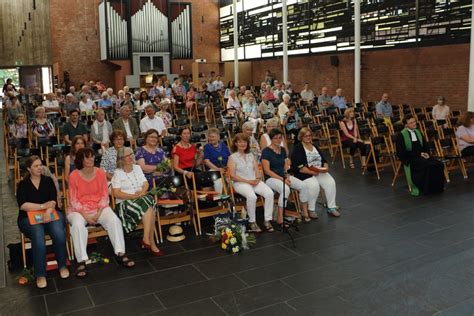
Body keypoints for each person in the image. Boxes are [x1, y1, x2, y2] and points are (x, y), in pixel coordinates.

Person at [68, 148, 135, 278]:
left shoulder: (100, 173)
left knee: (114, 220)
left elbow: (105, 196)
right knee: (77, 225)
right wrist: (86, 216)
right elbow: (73, 200)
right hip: (78, 210)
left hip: (99, 207)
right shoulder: (74, 175)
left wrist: (98, 214)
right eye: (87, 157)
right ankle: (82, 260)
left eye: (92, 156)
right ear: (81, 160)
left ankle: (121, 253)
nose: (91, 159)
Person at [17, 156, 69, 289]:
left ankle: (62, 265)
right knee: (38, 234)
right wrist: (41, 207)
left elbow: (53, 201)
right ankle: (40, 274)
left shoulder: (48, 181)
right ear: (29, 168)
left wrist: (47, 211)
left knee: (59, 233)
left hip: (49, 213)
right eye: (36, 166)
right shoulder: (23, 184)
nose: (40, 168)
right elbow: (23, 205)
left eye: (40, 165)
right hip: (28, 217)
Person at [112, 147, 163, 256]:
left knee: (148, 204)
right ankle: (150, 242)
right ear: (121, 159)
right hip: (125, 203)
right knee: (149, 204)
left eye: (131, 154)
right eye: (127, 155)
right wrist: (132, 196)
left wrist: (142, 191)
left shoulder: (137, 168)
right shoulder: (117, 172)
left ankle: (146, 239)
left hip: (141, 199)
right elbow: (116, 193)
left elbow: (145, 184)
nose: (131, 157)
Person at [228, 133, 274, 232]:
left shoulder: (250, 155)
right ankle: (252, 222)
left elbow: (257, 170)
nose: (242, 144)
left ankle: (267, 220)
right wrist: (248, 181)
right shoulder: (232, 157)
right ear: (235, 143)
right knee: (252, 196)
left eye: (244, 141)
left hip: (253, 180)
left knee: (269, 193)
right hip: (240, 183)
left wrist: (257, 178)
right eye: (240, 142)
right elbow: (232, 176)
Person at [261, 128, 309, 226]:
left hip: (283, 176)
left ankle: (304, 211)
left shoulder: (282, 150)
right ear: (271, 139)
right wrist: (283, 179)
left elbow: (285, 167)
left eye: (280, 138)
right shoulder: (266, 151)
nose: (278, 140)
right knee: (285, 189)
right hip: (270, 178)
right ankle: (280, 217)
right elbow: (267, 171)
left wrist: (287, 176)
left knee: (303, 186)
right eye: (275, 138)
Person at [291, 128, 340, 218]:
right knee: (314, 186)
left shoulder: (314, 146)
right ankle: (311, 209)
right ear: (301, 137)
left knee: (330, 182)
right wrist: (312, 172)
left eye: (310, 135)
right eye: (306, 136)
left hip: (318, 170)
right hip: (305, 173)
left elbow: (324, 160)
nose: (308, 137)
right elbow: (299, 167)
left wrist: (325, 167)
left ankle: (331, 207)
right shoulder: (297, 148)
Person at [396, 115, 445, 196]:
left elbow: (425, 145)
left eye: (414, 121)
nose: (414, 124)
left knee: (438, 164)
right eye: (411, 123)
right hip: (411, 158)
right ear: (406, 125)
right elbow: (401, 152)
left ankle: (436, 188)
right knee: (427, 165)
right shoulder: (401, 135)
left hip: (422, 156)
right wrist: (419, 154)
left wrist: (426, 153)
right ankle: (426, 188)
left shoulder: (418, 132)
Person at [203, 128, 231, 193]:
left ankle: (228, 196)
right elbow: (207, 162)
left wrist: (228, 167)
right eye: (210, 137)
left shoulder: (223, 145)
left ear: (218, 137)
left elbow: (230, 157)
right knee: (218, 180)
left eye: (213, 136)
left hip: (226, 168)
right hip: (213, 169)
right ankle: (219, 198)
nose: (211, 138)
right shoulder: (207, 147)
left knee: (231, 179)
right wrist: (218, 169)